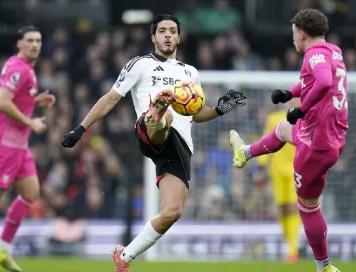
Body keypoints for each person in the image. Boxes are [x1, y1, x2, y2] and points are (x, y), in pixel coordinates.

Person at [61, 14, 246, 272]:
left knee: (172, 212)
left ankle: (125, 256)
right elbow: (110, 99)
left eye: (172, 31)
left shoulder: (189, 72)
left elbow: (195, 113)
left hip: (179, 148)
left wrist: (220, 109)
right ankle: (158, 109)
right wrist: (80, 128)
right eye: (162, 31)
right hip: (149, 131)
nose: (167, 35)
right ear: (153, 37)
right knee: (164, 114)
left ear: (179, 37)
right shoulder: (140, 65)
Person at [229, 9, 347, 272]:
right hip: (332, 136)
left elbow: (325, 81)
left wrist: (301, 109)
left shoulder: (313, 54)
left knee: (307, 207)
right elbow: (317, 81)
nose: (293, 38)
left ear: (301, 34)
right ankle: (245, 153)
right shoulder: (333, 51)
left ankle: (324, 266)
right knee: (283, 129)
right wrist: (289, 93)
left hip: (315, 142)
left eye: (294, 33)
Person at [0, 25, 56, 272]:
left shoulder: (21, 66)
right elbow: (0, 101)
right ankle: (1, 249)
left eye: (38, 40)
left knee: (31, 192)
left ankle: (2, 250)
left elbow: (5, 94)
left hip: (19, 145)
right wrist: (30, 121)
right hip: (7, 143)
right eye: (29, 40)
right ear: (19, 43)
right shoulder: (19, 68)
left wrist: (35, 101)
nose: (35, 45)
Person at [254, 103, 301, 263]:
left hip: (298, 169)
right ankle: (290, 244)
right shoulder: (273, 118)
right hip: (277, 171)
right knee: (282, 210)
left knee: (294, 208)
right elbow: (268, 140)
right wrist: (261, 163)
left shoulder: (306, 117)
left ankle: (293, 250)